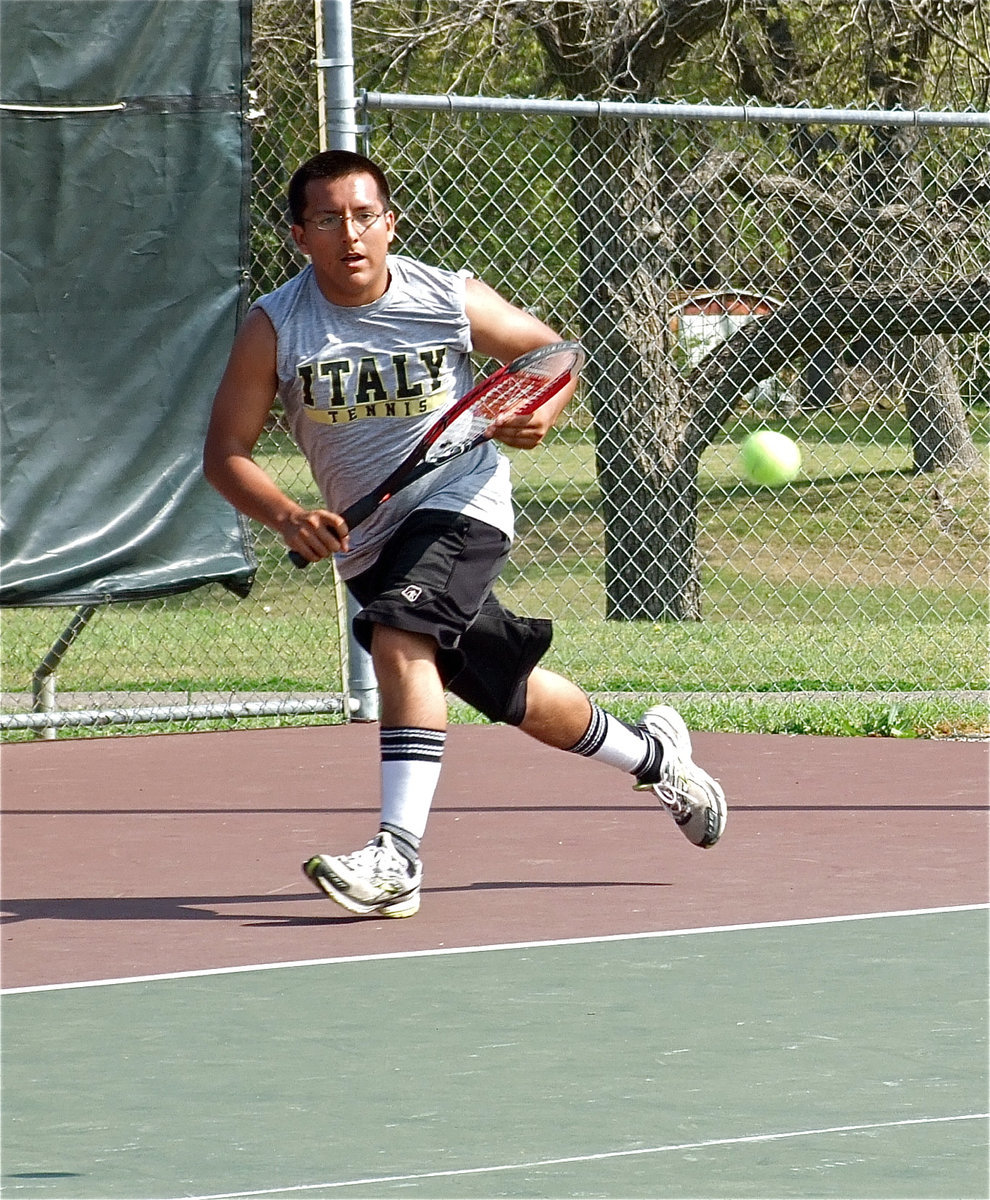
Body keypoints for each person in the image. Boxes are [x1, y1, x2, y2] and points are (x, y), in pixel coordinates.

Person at [203, 149, 726, 919]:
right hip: (370, 543)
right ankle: (658, 761)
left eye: (364, 215)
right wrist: (287, 515)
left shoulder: (442, 296)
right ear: (299, 235)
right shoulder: (275, 327)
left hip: (462, 503)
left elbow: (551, 352)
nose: (350, 233)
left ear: (390, 224)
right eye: (328, 219)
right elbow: (225, 454)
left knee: (400, 641)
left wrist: (541, 409)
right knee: (505, 689)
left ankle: (396, 857)